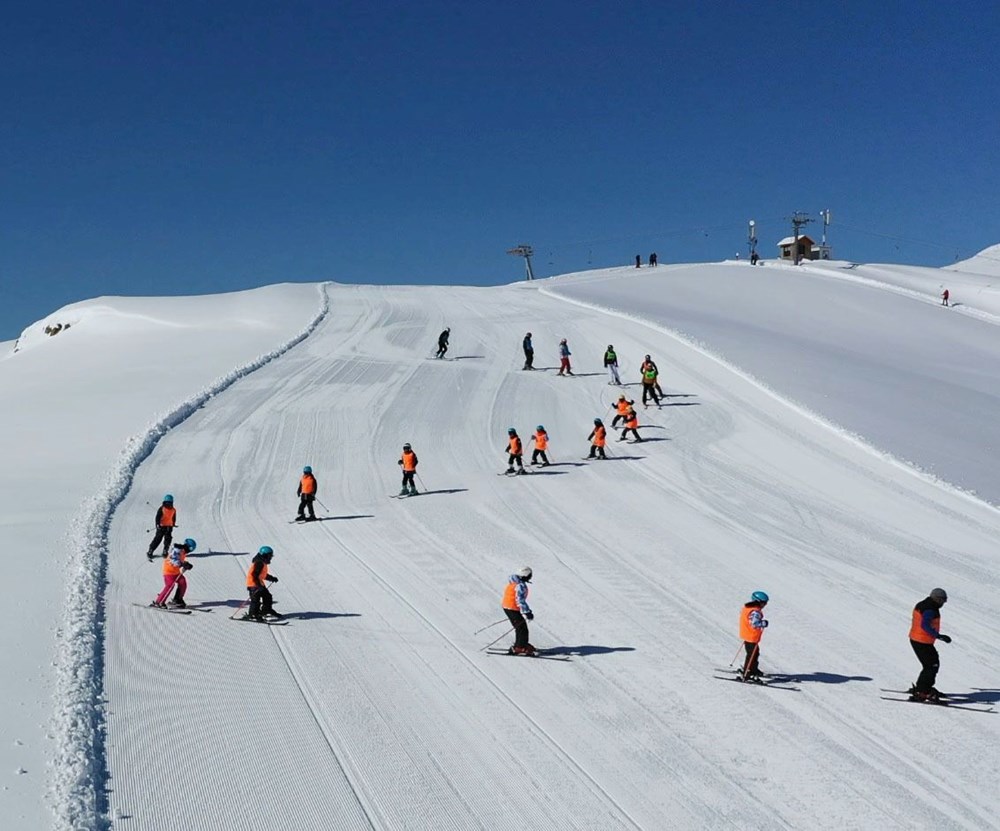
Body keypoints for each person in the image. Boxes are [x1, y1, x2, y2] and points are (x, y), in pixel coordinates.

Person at [909, 588, 950, 701]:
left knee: (931, 665)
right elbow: (925, 625)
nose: (944, 603)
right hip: (921, 641)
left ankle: (923, 687)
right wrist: (938, 636)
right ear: (937, 598)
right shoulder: (930, 609)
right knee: (931, 666)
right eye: (943, 600)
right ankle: (922, 691)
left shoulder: (924, 604)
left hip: (918, 639)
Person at [152, 537, 196, 608]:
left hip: (175, 572)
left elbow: (179, 561)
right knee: (170, 586)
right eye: (191, 549)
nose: (190, 551)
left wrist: (186, 564)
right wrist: (182, 564)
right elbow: (173, 560)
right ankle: (159, 602)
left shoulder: (183, 551)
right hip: (168, 571)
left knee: (182, 582)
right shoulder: (177, 550)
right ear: (188, 546)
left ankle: (177, 600)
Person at [502, 566, 535, 655]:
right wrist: (527, 612)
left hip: (509, 607)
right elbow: (520, 600)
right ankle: (519, 647)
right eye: (529, 575)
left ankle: (522, 643)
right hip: (512, 608)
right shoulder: (520, 586)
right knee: (521, 628)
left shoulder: (514, 582)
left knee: (521, 627)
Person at [244, 546, 282, 621]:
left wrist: (271, 578)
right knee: (255, 600)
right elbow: (254, 575)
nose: (270, 558)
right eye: (269, 556)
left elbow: (262, 574)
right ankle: (253, 615)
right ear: (265, 555)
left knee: (268, 596)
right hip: (253, 584)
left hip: (259, 584)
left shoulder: (262, 563)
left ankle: (266, 610)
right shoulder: (259, 563)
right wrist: (258, 586)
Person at [739, 591, 769, 682]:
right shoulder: (755, 611)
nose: (765, 605)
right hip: (751, 636)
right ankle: (747, 673)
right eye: (764, 603)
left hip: (747, 634)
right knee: (751, 655)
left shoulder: (748, 607)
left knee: (755, 653)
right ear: (758, 601)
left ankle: (753, 669)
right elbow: (754, 624)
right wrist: (763, 623)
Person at [146, 494, 177, 561]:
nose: (168, 504)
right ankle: (151, 550)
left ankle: (165, 551)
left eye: (169, 503)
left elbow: (173, 517)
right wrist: (157, 524)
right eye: (167, 503)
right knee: (158, 539)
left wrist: (173, 523)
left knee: (168, 539)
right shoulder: (162, 509)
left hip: (169, 527)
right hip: (161, 527)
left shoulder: (173, 510)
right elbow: (157, 517)